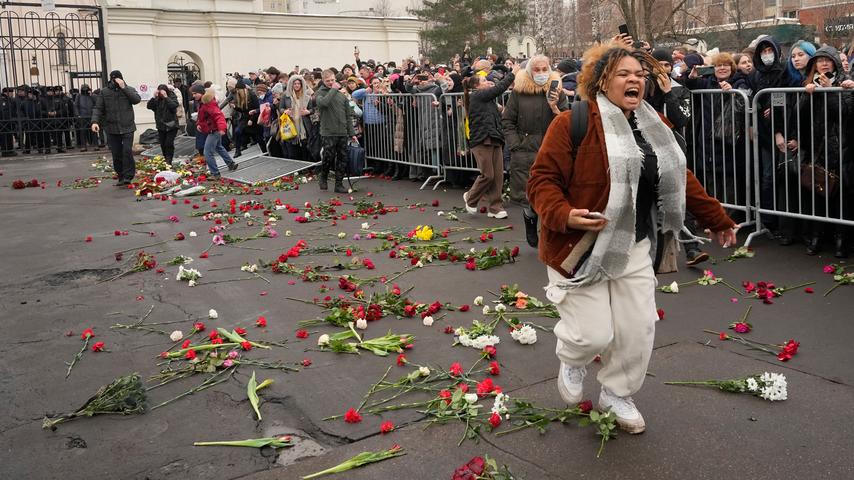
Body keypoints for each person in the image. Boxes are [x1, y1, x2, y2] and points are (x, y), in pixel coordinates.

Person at [527, 43, 736, 434]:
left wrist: (716, 218)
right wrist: (565, 214)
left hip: (635, 243)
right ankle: (574, 358)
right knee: (592, 335)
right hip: (579, 247)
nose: (634, 80)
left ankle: (617, 393)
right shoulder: (574, 122)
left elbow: (678, 176)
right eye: (624, 74)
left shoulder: (653, 123)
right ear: (602, 80)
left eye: (639, 74)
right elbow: (541, 182)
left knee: (638, 327)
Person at [790, 46, 854, 256]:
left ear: (835, 62)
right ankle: (816, 236)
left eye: (828, 60)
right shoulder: (811, 83)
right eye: (820, 60)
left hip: (841, 149)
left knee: (840, 195)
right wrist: (809, 94)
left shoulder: (845, 83)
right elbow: (799, 115)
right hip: (817, 149)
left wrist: (830, 90)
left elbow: (844, 112)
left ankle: (841, 239)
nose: (824, 63)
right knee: (816, 193)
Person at [502, 55, 568, 247]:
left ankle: (549, 235)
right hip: (526, 151)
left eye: (544, 69)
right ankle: (530, 223)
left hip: (552, 150)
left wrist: (555, 107)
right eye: (536, 70)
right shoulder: (519, 92)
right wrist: (516, 144)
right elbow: (507, 121)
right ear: (530, 71)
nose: (541, 73)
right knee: (529, 198)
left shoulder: (557, 91)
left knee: (552, 196)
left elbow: (567, 121)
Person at [462, 61, 519, 219]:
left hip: (494, 138)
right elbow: (498, 88)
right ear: (476, 87)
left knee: (498, 175)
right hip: (481, 140)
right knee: (488, 175)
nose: (488, 82)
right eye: (483, 81)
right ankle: (471, 198)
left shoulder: (489, 102)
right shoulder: (477, 96)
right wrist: (512, 73)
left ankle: (495, 207)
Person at [91, 70, 141, 186]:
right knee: (116, 153)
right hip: (111, 127)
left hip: (127, 126)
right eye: (114, 79)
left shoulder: (129, 89)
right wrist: (94, 122)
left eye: (118, 78)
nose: (116, 81)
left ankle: (128, 176)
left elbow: (136, 100)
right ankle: (121, 176)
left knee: (127, 151)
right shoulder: (105, 92)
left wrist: (124, 88)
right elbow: (98, 108)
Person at [315, 69, 357, 193]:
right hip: (328, 132)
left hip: (342, 132)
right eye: (328, 81)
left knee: (342, 158)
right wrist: (333, 89)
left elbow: (348, 115)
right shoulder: (320, 93)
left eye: (332, 80)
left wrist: (352, 133)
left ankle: (339, 184)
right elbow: (323, 104)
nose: (331, 82)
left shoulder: (341, 96)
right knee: (328, 157)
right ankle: (323, 175)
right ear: (323, 81)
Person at [197, 88, 238, 178]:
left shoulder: (208, 104)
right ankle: (231, 163)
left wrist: (222, 128)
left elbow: (219, 116)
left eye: (195, 93)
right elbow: (202, 118)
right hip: (213, 129)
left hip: (214, 130)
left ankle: (215, 173)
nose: (193, 95)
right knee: (219, 147)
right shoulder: (203, 103)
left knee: (207, 152)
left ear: (202, 94)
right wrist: (199, 124)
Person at [280, 74, 314, 160]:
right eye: (295, 84)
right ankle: (297, 168)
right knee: (293, 147)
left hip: (304, 125)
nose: (297, 85)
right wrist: (285, 111)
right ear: (291, 84)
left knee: (305, 146)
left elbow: (312, 109)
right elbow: (280, 108)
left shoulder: (307, 96)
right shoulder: (285, 95)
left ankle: (307, 166)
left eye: (299, 83)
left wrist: (308, 112)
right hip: (291, 124)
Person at [146, 84, 180, 167]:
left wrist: (166, 97)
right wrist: (154, 97)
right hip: (161, 125)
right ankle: (166, 159)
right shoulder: (157, 99)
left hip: (172, 125)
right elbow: (149, 106)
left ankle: (169, 160)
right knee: (163, 144)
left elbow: (174, 105)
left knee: (169, 143)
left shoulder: (171, 96)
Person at [74, 84, 96, 152]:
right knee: (83, 131)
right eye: (84, 89)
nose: (85, 91)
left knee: (94, 131)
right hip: (82, 116)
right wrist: (78, 115)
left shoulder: (92, 96)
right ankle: (83, 146)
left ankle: (96, 145)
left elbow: (96, 103)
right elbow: (76, 105)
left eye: (86, 89)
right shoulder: (79, 96)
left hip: (91, 115)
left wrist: (91, 95)